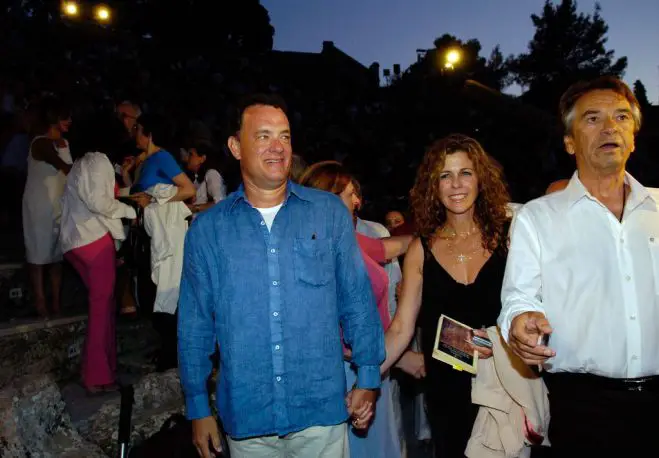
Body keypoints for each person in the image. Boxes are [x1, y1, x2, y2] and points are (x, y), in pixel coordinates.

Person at [178, 94, 385, 458]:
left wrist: (368, 376)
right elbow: (195, 325)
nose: (278, 147)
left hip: (321, 411)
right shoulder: (208, 231)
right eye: (263, 136)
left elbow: (356, 299)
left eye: (285, 136)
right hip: (247, 417)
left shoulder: (328, 213)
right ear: (235, 146)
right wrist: (197, 407)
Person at [499, 76, 659, 456]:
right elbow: (519, 299)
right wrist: (521, 323)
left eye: (621, 117)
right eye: (592, 118)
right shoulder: (538, 217)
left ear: (633, 137)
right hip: (585, 410)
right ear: (569, 141)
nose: (609, 127)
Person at [385, 134, 512, 457]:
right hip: (446, 394)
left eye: (465, 173)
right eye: (445, 175)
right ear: (434, 186)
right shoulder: (419, 250)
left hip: (506, 387)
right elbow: (401, 329)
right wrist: (366, 375)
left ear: (480, 179)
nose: (456, 184)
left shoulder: (510, 238)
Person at [300, 162, 418, 458]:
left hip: (371, 364)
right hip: (341, 369)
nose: (357, 202)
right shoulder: (310, 250)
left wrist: (434, 237)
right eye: (349, 195)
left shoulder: (349, 239)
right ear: (326, 198)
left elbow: (393, 246)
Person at [60, 151, 137, 393]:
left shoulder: (81, 165)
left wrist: (129, 196)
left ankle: (105, 369)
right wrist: (131, 211)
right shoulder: (99, 160)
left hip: (74, 241)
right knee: (101, 309)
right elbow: (100, 203)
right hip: (92, 240)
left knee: (104, 307)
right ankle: (96, 377)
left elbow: (97, 197)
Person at [22, 96, 73, 318]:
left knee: (56, 256)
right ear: (53, 119)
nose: (69, 121)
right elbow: (63, 166)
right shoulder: (40, 142)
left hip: (58, 203)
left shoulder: (65, 143)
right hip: (39, 205)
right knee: (38, 253)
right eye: (65, 117)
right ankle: (40, 301)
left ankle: (55, 301)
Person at [182, 144, 226, 215]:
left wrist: (193, 208)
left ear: (202, 158)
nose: (187, 158)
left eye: (191, 154)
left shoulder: (211, 173)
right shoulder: (196, 179)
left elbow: (220, 202)